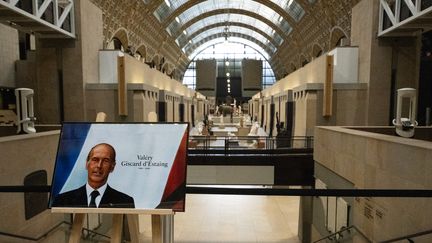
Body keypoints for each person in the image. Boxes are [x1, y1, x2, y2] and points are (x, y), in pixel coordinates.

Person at [52, 143, 135, 208]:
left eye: (105, 161)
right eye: (95, 160)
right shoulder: (62, 200)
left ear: (112, 167)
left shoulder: (125, 201)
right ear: (87, 164)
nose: (99, 165)